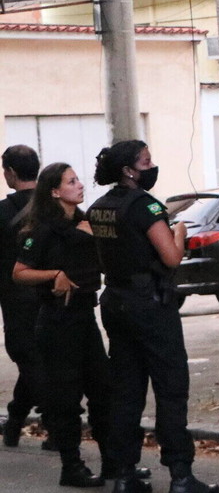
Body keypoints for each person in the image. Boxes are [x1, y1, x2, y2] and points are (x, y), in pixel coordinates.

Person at [87, 140, 219, 493]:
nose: (151, 166)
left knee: (126, 391)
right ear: (129, 170)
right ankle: (180, 474)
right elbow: (172, 258)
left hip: (116, 301)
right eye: (146, 162)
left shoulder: (99, 207)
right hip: (150, 305)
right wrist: (178, 231)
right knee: (171, 388)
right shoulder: (145, 207)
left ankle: (124, 473)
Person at [12, 163, 114, 487]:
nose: (80, 185)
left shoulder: (84, 222)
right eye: (72, 182)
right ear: (55, 191)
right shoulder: (41, 229)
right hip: (57, 320)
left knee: (102, 390)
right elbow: (19, 272)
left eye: (78, 180)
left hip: (85, 317)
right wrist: (53, 275)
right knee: (66, 398)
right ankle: (72, 466)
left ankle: (114, 461)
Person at [0, 144, 49, 448]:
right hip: (53, 295)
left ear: (11, 173)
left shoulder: (3, 212)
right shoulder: (54, 207)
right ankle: (17, 419)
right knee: (38, 363)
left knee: (32, 363)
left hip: (16, 301)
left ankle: (54, 422)